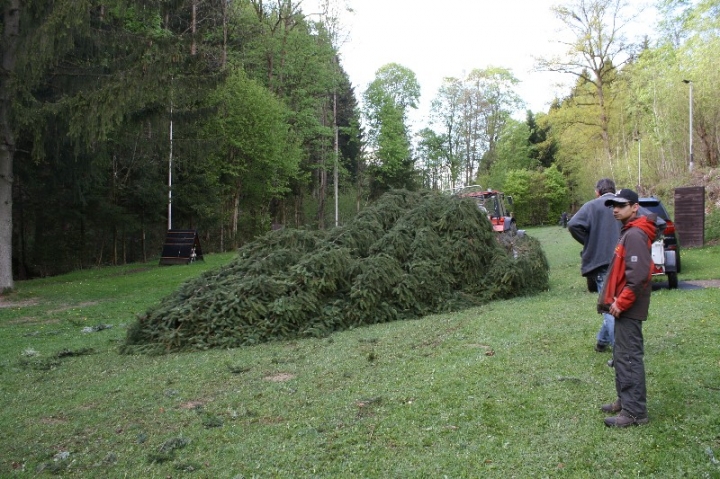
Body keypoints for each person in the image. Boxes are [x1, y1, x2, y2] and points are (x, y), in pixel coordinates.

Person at [598, 188, 656, 427]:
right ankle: (624, 400)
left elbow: (640, 275)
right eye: (613, 205)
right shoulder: (629, 231)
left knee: (629, 357)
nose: (615, 209)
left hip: (629, 307)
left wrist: (621, 302)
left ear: (634, 207)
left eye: (621, 205)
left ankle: (635, 413)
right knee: (621, 355)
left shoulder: (635, 235)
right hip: (623, 306)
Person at [567, 178, 619, 352]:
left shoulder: (591, 206)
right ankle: (602, 342)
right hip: (625, 263)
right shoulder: (625, 205)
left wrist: (589, 242)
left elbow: (573, 224)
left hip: (603, 263)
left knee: (610, 307)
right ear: (614, 190)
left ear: (597, 192)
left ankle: (619, 350)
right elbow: (657, 223)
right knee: (615, 306)